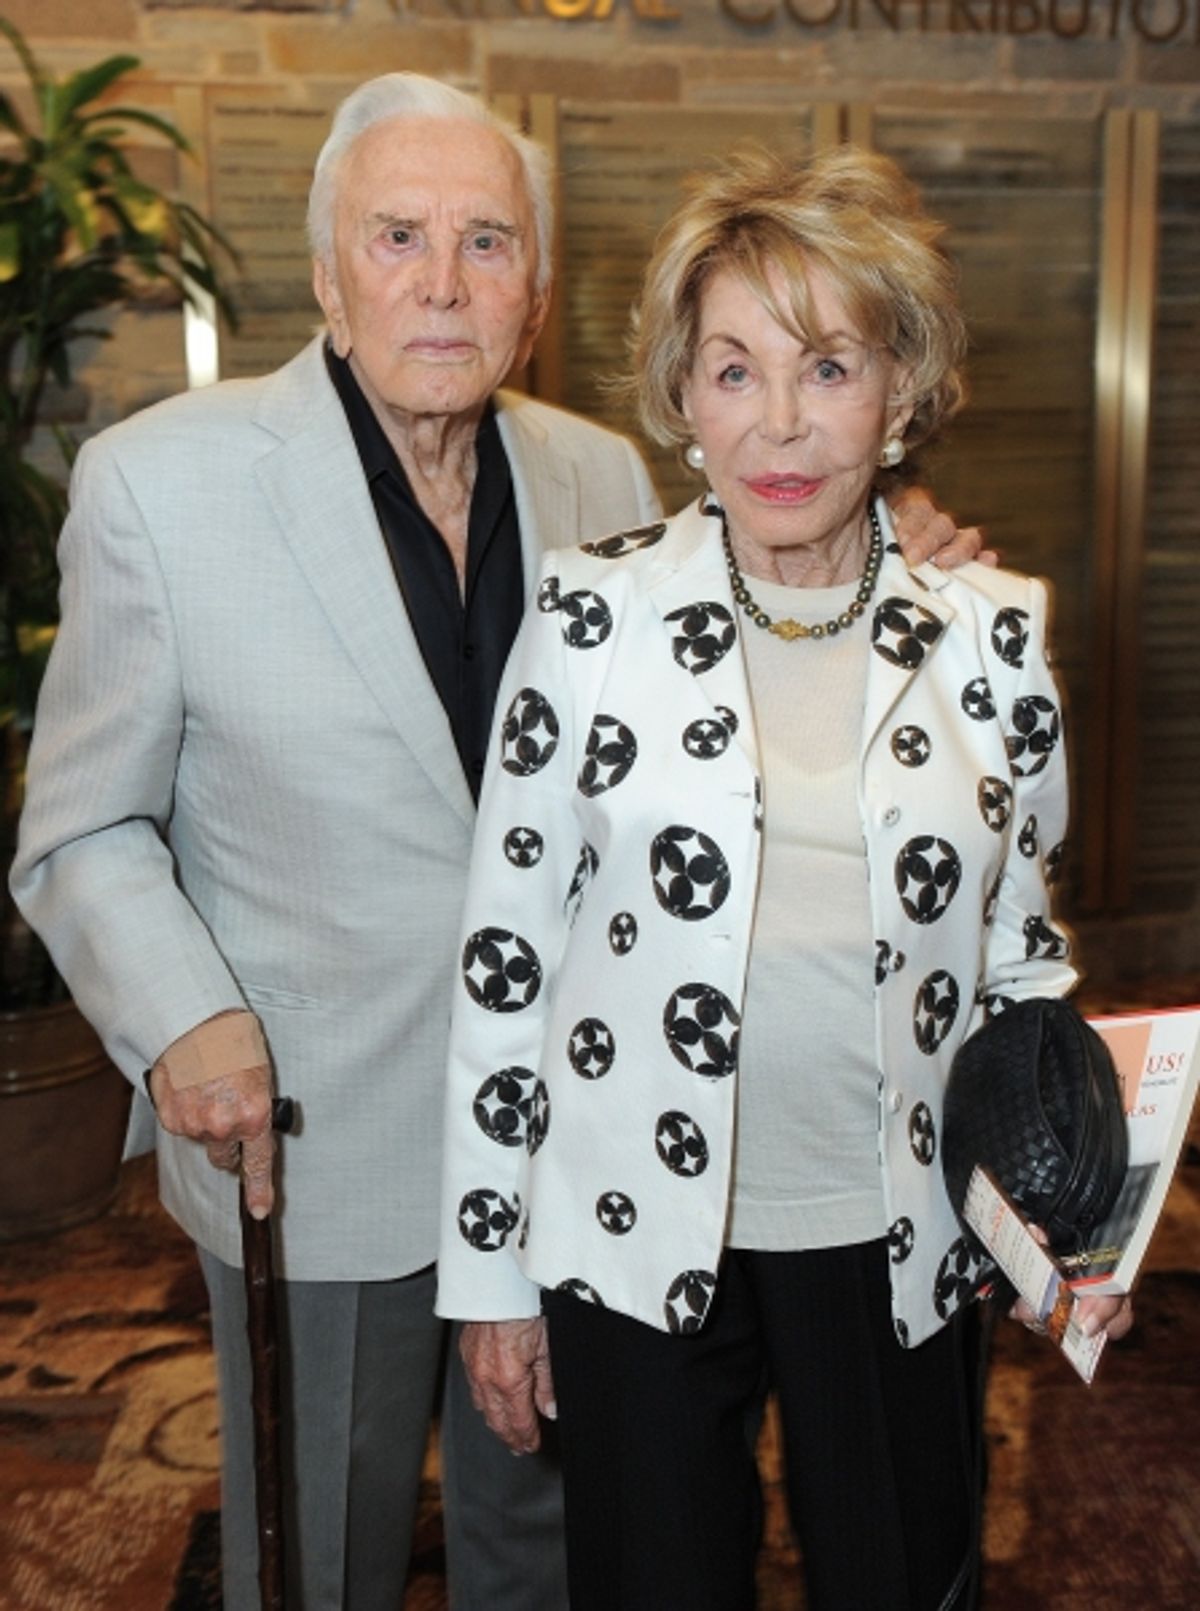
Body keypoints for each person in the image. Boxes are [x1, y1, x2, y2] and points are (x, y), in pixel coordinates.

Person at [12, 73, 978, 1611]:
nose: (442, 282)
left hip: (581, 1141)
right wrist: (182, 1013)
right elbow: (80, 828)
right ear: (328, 270)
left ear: (535, 290)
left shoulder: (597, 472)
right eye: (398, 236)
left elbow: (780, 531)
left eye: (487, 241)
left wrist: (904, 545)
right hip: (311, 1133)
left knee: (551, 1546)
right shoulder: (160, 486)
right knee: (318, 1545)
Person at [435, 144, 1133, 1611]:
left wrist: (1084, 1219)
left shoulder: (991, 640)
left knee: (903, 1580)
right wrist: (491, 1277)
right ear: (683, 400)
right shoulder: (589, 620)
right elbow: (506, 967)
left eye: (827, 367)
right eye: (735, 371)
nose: (781, 425)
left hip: (900, 1231)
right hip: (631, 1237)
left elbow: (1025, 960)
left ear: (900, 390)